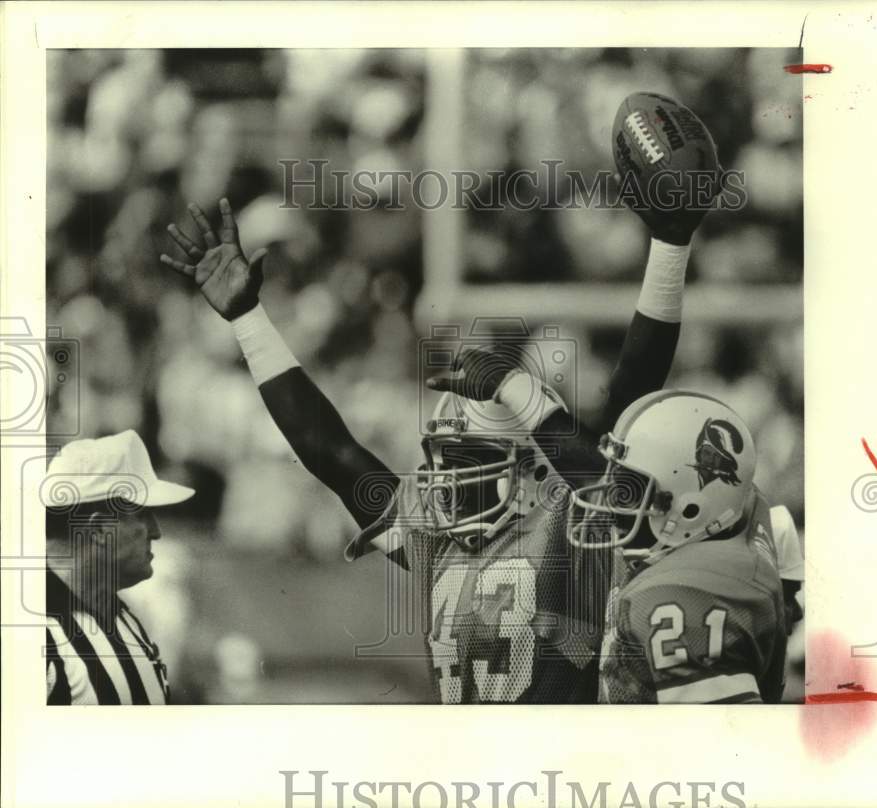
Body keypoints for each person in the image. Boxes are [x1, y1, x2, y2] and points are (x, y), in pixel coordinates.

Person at [160, 154, 713, 701]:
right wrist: (248, 320)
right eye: (442, 456)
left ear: (519, 467)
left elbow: (628, 407)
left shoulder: (568, 532)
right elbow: (325, 447)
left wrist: (669, 249)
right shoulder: (436, 542)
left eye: (463, 457)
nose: (440, 473)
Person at [568, 390, 789, 703]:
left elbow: (719, 741)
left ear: (690, 508)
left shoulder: (685, 594)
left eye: (628, 489)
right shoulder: (729, 518)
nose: (611, 504)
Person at [44, 429, 194, 705]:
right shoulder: (34, 635)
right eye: (143, 515)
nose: (156, 532)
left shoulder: (119, 614)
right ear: (100, 529)